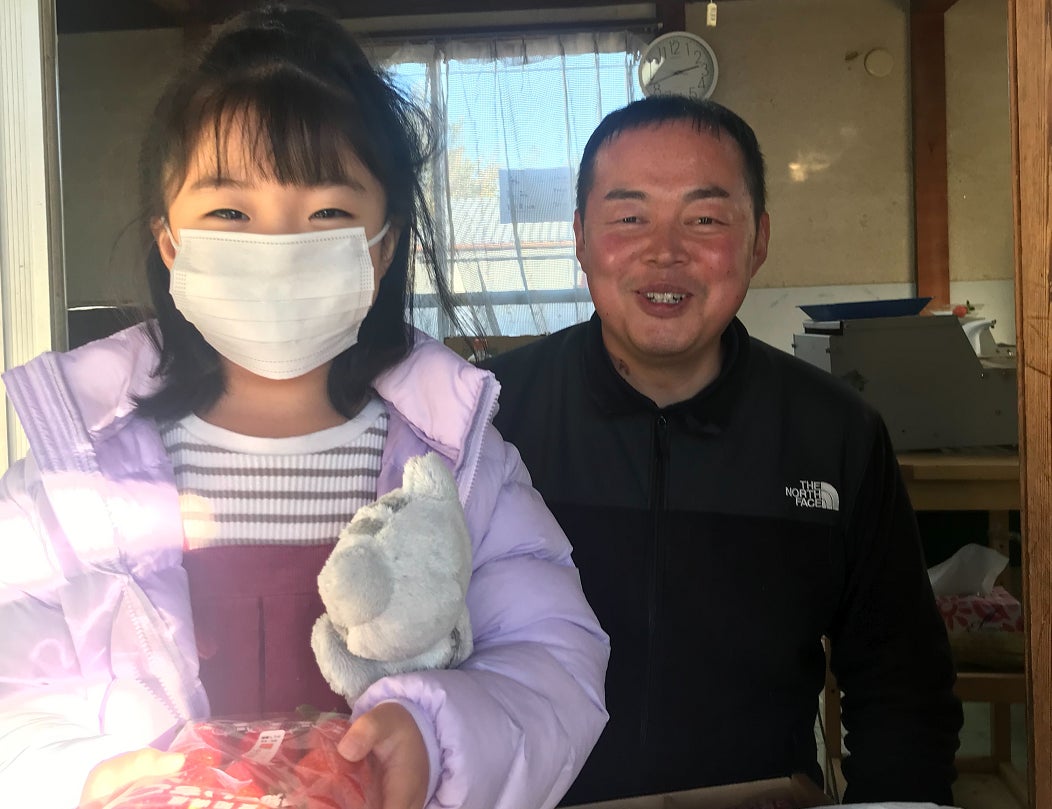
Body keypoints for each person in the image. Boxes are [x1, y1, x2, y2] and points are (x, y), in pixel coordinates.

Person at [0, 6, 609, 809]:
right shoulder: (76, 473)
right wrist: (78, 778)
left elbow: (553, 665)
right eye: (230, 213)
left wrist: (433, 736)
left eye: (327, 214)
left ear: (382, 248)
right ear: (171, 243)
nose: (278, 250)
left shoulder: (455, 459)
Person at [484, 95, 963, 806]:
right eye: (629, 218)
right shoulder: (489, 419)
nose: (665, 251)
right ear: (580, 236)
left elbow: (903, 686)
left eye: (705, 218)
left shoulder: (836, 432)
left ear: (758, 239)